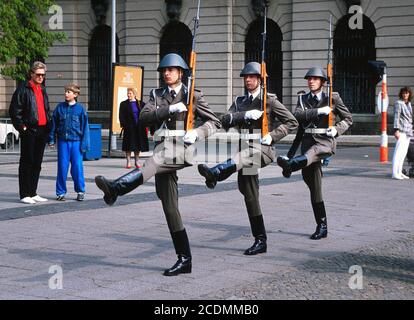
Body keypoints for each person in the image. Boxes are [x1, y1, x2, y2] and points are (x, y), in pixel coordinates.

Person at [94, 53, 221, 276]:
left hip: (182, 149)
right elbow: (143, 117)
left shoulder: (193, 95)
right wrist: (168, 110)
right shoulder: (156, 94)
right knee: (170, 207)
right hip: (163, 148)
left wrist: (197, 133)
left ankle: (117, 188)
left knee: (152, 162)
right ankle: (185, 259)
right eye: (164, 70)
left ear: (181, 72)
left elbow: (214, 122)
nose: (166, 73)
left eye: (171, 70)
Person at [197, 62, 298, 255]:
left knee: (246, 159)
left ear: (260, 79)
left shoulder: (269, 100)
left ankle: (217, 173)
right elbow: (224, 121)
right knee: (249, 195)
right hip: (244, 151)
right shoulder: (240, 101)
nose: (248, 80)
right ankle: (261, 240)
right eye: (246, 77)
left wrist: (273, 135)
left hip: (262, 149)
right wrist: (244, 115)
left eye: (252, 77)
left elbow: (291, 122)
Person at [277, 67, 353, 240]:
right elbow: (297, 116)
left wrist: (336, 129)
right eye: (309, 79)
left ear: (323, 82)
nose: (311, 81)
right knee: (314, 187)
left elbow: (348, 119)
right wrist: (318, 111)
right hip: (307, 143)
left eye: (315, 79)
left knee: (314, 152)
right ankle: (322, 225)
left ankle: (292, 164)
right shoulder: (303, 99)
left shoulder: (332, 97)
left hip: (324, 142)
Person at [9, 61, 52, 204]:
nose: (41, 77)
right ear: (32, 74)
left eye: (43, 75)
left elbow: (46, 109)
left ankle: (33, 192)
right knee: (27, 162)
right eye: (38, 74)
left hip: (42, 130)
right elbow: (15, 111)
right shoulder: (23, 89)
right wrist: (23, 128)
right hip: (30, 130)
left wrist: (48, 126)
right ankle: (24, 194)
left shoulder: (42, 89)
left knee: (37, 163)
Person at [48, 83, 90, 201]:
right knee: (62, 167)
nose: (66, 94)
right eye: (66, 91)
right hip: (63, 142)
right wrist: (51, 139)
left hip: (76, 142)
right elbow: (53, 125)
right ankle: (60, 192)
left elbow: (85, 127)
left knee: (77, 167)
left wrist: (85, 144)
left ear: (75, 94)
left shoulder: (80, 109)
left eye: (69, 92)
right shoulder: (60, 108)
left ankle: (80, 191)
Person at [119, 88, 149, 169]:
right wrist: (124, 125)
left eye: (130, 93)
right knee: (128, 145)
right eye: (128, 93)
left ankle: (137, 161)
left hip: (139, 128)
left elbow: (146, 113)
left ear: (134, 94)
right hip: (129, 128)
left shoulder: (140, 103)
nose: (129, 95)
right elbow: (121, 116)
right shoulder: (123, 104)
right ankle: (128, 161)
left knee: (138, 145)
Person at [391, 86, 413, 180]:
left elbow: (410, 118)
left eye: (407, 93)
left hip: (408, 132)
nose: (405, 95)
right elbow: (397, 117)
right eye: (404, 93)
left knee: (403, 154)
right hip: (401, 131)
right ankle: (394, 173)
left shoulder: (408, 104)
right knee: (398, 153)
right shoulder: (398, 103)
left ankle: (400, 172)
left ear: (409, 94)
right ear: (401, 94)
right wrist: (396, 130)